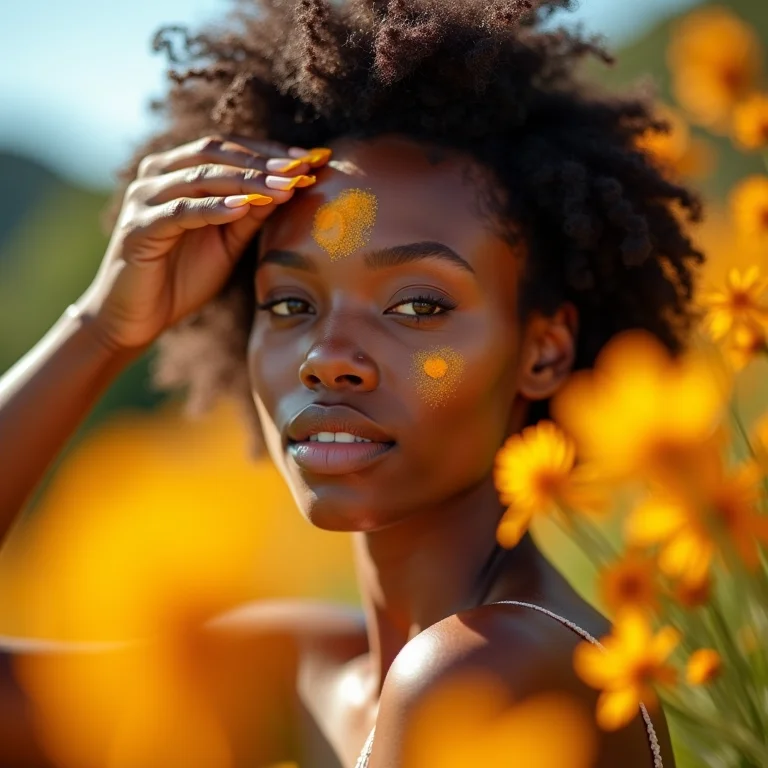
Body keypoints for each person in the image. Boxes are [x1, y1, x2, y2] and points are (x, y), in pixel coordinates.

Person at [0, 0, 705, 765]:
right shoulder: (312, 670)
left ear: (545, 350)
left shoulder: (486, 668)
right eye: (290, 303)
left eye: (416, 304)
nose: (326, 357)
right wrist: (105, 326)